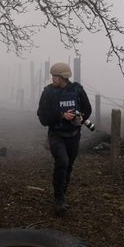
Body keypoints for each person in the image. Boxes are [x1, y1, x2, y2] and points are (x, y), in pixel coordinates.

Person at [37, 62, 92, 213]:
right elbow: (42, 117)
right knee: (62, 161)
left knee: (69, 166)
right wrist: (61, 115)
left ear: (63, 77)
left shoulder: (77, 90)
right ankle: (59, 198)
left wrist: (81, 117)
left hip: (74, 134)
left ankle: (63, 193)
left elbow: (87, 109)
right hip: (56, 134)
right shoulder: (48, 92)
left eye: (55, 76)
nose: (52, 78)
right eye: (52, 76)